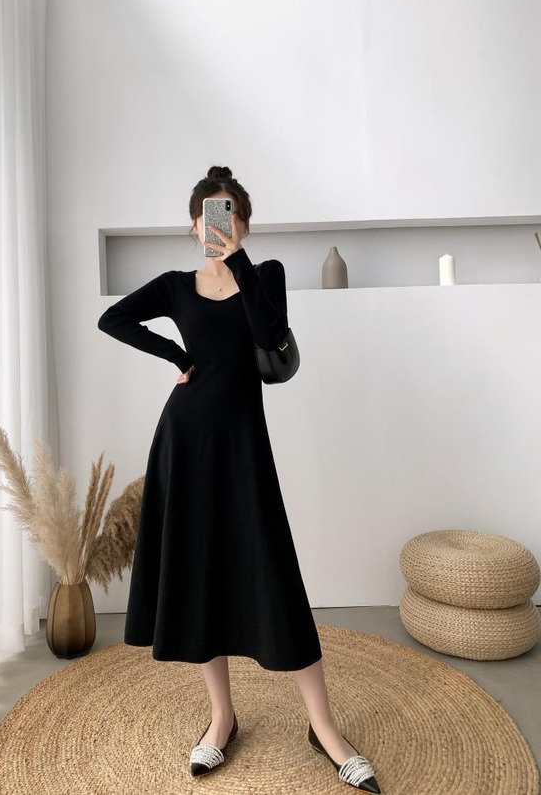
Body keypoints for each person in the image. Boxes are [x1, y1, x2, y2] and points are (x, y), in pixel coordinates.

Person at [97, 166, 381, 793]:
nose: (218, 225)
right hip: (185, 441)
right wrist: (176, 355)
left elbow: (269, 335)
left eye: (229, 214)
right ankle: (222, 717)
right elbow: (112, 319)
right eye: (209, 215)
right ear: (193, 224)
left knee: (273, 571)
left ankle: (324, 728)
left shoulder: (265, 273)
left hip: (244, 445)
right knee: (202, 572)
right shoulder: (175, 287)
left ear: (244, 224)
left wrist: (239, 261)